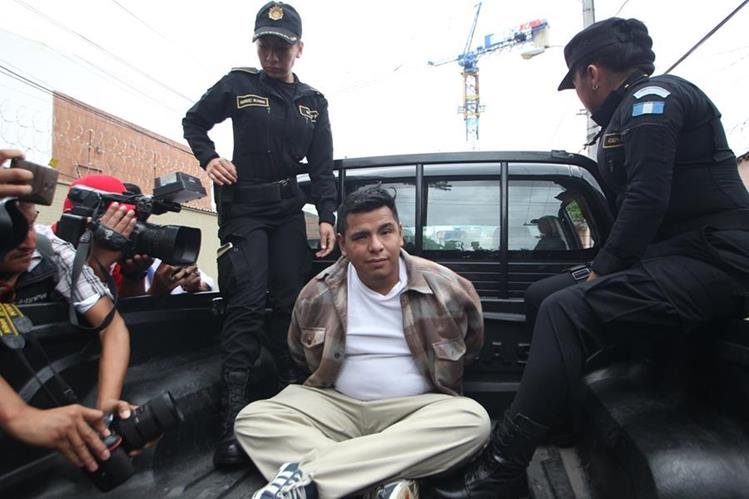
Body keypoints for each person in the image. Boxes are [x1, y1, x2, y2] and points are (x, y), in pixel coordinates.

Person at [430, 17, 749, 499]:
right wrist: (602, 269)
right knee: (544, 294)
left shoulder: (652, 102)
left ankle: (503, 465)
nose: (579, 95)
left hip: (716, 257)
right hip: (673, 255)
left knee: (567, 309)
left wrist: (602, 270)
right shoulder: (626, 114)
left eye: (577, 82)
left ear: (592, 74)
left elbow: (646, 199)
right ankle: (557, 418)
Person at [236, 185, 490, 499]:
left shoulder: (448, 288)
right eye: (361, 237)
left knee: (473, 422)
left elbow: (471, 345)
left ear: (400, 234)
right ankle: (381, 481)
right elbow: (299, 355)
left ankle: (310, 480)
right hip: (337, 407)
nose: (376, 246)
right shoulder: (315, 294)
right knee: (252, 420)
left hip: (417, 411)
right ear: (343, 244)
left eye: (385, 232)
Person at [182, 1, 337, 467]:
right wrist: (210, 158)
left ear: (299, 49)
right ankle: (230, 421)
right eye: (265, 46)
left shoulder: (313, 102)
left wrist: (327, 215)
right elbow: (194, 121)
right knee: (247, 303)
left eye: (281, 48)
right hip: (245, 211)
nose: (272, 56)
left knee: (291, 302)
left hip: (287, 211)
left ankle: (292, 404)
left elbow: (323, 166)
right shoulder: (238, 85)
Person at [0, 150, 132, 473]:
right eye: (13, 229)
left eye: (31, 223)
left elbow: (112, 327)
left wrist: (106, 409)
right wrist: (19, 416)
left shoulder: (49, 248)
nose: (28, 240)